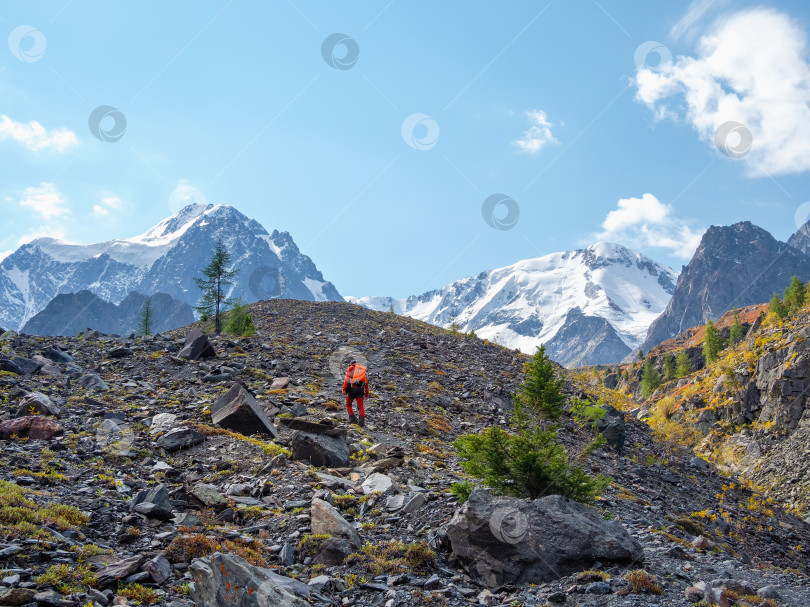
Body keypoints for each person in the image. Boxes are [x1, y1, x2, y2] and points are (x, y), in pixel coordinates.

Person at [342, 359, 368, 427]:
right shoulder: (364, 370)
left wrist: (344, 389)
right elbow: (366, 382)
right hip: (361, 390)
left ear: (351, 364)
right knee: (360, 405)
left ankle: (352, 418)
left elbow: (346, 379)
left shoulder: (351, 368)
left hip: (353, 389)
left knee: (348, 404)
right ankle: (361, 421)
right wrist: (367, 393)